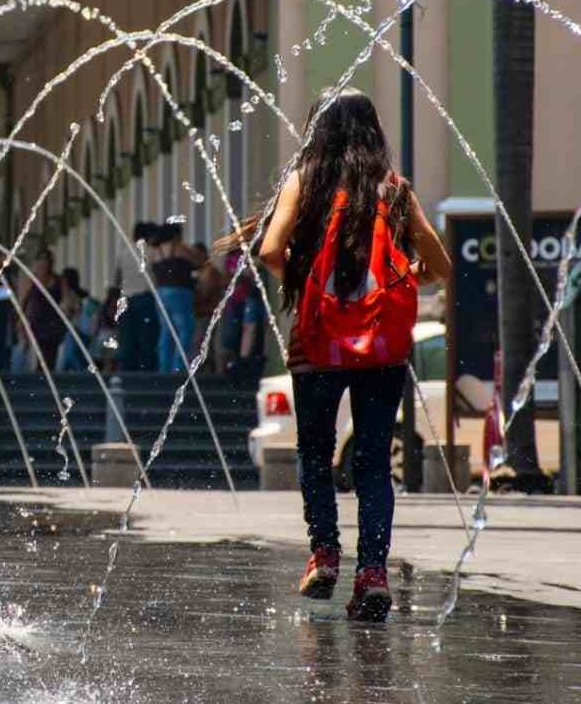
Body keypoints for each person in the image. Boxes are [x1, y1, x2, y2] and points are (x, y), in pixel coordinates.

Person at [244, 89, 450, 622]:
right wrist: (406, 279)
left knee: (315, 453)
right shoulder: (394, 191)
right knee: (374, 462)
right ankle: (373, 573)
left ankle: (325, 554)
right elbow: (440, 263)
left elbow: (269, 249)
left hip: (317, 342)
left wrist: (309, 282)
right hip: (382, 344)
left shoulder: (305, 182)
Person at [151, 224, 197, 373]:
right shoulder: (179, 247)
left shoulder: (156, 251)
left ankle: (164, 367)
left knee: (166, 330)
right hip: (179, 291)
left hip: (160, 293)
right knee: (185, 329)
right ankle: (178, 366)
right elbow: (198, 262)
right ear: (176, 235)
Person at [115, 222, 160, 373]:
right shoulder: (153, 252)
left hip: (126, 299)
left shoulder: (123, 253)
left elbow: (117, 279)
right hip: (146, 298)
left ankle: (127, 372)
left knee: (127, 338)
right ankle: (146, 372)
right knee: (147, 338)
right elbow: (160, 275)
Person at [18, 248, 65, 372]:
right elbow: (24, 301)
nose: (43, 263)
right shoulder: (32, 280)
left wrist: (67, 314)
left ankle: (47, 377)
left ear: (51, 262)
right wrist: (21, 320)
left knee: (51, 353)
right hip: (37, 321)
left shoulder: (59, 280)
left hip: (54, 322)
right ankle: (40, 376)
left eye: (46, 260)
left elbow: (66, 300)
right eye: (41, 260)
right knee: (40, 352)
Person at [55, 267, 99, 372]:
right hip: (74, 337)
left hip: (79, 335)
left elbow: (68, 316)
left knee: (70, 349)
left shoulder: (78, 299)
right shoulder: (80, 298)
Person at [191, 242, 225, 363]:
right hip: (204, 312)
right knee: (204, 344)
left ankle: (206, 372)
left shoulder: (209, 271)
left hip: (206, 313)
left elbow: (205, 293)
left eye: (195, 255)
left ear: (203, 255)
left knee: (202, 343)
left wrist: (190, 300)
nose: (193, 259)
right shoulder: (202, 271)